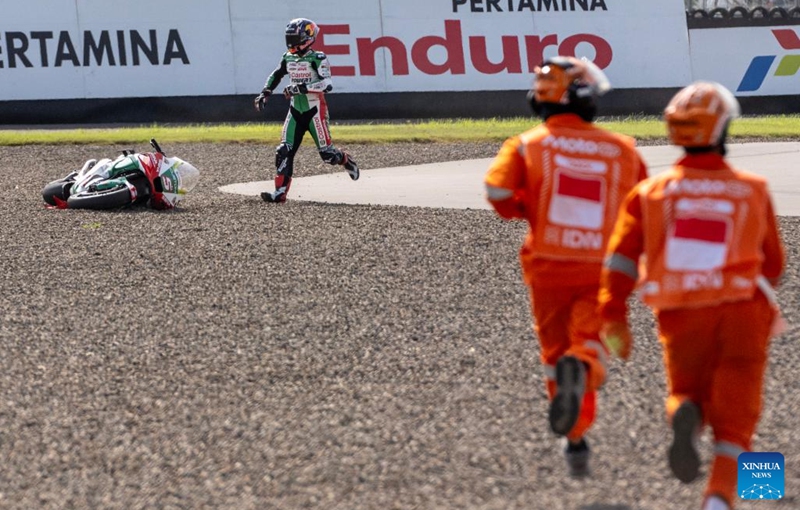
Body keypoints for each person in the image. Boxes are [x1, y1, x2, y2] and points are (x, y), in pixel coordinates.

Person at [598, 81, 785, 510]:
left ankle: (688, 415)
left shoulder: (652, 193)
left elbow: (621, 259)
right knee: (738, 415)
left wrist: (613, 314)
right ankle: (721, 499)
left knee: (689, 391)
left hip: (680, 312)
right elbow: (773, 263)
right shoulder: (751, 188)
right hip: (741, 310)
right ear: (722, 130)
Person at [484, 56, 648, 476]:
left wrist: (527, 209)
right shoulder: (622, 148)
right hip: (602, 266)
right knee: (589, 340)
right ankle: (586, 368)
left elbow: (497, 190)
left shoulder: (525, 144)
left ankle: (575, 437)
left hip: (548, 265)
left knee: (553, 355)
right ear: (584, 98)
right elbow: (644, 208)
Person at [253, 18, 359, 203]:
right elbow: (276, 74)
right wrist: (265, 92)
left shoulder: (318, 57)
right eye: (289, 37)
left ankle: (345, 159)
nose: (290, 41)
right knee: (284, 150)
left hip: (315, 111)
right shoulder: (288, 57)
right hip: (295, 110)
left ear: (307, 37)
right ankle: (280, 193)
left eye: (294, 37)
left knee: (327, 155)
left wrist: (302, 87)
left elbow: (327, 84)